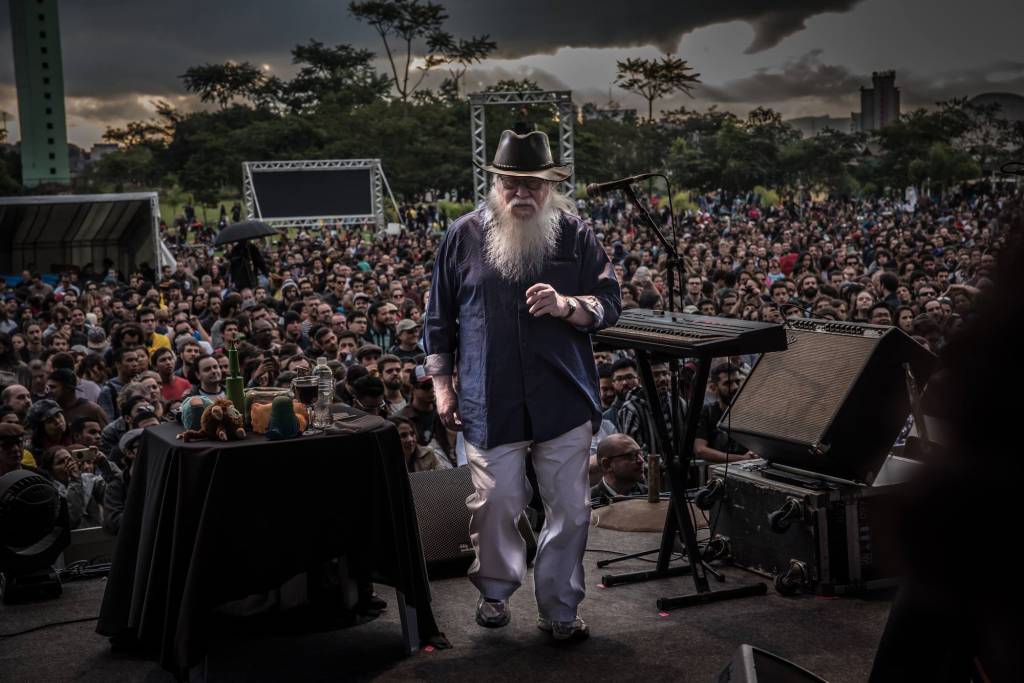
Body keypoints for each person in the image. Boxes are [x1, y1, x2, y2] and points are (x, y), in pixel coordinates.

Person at [424, 129, 620, 640]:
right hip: (489, 401)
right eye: (512, 183)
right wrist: (443, 389)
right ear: (496, 183)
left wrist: (567, 306)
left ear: (551, 186)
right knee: (496, 504)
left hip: (563, 397)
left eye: (532, 184)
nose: (522, 194)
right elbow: (438, 322)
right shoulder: (462, 236)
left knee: (572, 509)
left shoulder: (576, 236)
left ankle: (559, 608)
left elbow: (609, 302)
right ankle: (494, 590)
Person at [693, 363, 758, 464]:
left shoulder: (750, 412)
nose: (735, 387)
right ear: (714, 387)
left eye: (737, 382)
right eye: (728, 383)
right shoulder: (707, 412)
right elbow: (700, 450)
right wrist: (742, 459)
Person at [590, 434, 648, 503]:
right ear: (607, 465)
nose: (641, 460)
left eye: (640, 454)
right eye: (631, 455)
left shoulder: (651, 497)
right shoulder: (586, 503)